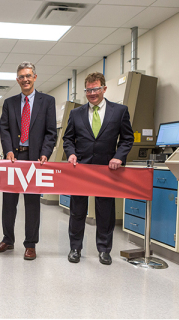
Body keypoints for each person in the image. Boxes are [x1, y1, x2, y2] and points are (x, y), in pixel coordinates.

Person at [63, 72, 134, 265]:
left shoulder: (119, 111)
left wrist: (119, 157)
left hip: (106, 170)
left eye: (95, 89)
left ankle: (104, 250)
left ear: (104, 88)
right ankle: (75, 248)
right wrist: (70, 153)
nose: (92, 93)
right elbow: (68, 138)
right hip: (81, 169)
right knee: (77, 211)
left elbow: (128, 139)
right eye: (88, 90)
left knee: (105, 211)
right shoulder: (76, 113)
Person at [0, 61, 57, 260]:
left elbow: (50, 132)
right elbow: (4, 129)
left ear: (35, 77)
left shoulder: (47, 101)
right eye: (21, 76)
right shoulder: (9, 103)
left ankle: (30, 244)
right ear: (17, 79)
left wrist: (45, 152)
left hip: (35, 158)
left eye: (28, 76)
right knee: (9, 202)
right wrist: (8, 150)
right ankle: (7, 239)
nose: (25, 79)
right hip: (13, 158)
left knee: (32, 203)